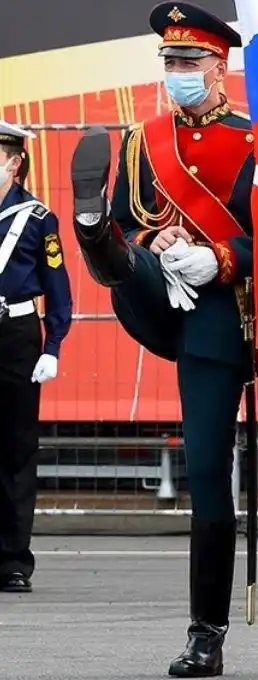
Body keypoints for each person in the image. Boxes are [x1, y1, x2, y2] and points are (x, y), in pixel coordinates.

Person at [69, 2, 255, 676]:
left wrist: (225, 255)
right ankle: (103, 250)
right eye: (168, 62)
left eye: (187, 62)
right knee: (206, 469)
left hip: (242, 309)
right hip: (176, 303)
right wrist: (158, 238)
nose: (175, 72)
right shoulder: (143, 139)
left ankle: (207, 634)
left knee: (225, 463)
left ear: (219, 65)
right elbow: (133, 215)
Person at [0, 122, 72, 595]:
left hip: (15, 336)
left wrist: (52, 346)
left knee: (16, 449)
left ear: (13, 162)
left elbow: (57, 289)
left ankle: (11, 561)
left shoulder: (37, 217)